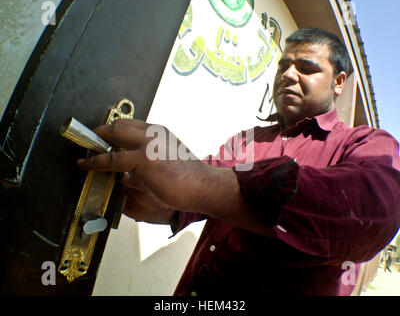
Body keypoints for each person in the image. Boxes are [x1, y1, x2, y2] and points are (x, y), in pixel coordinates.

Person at [77, 28, 400, 295]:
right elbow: (191, 198)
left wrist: (195, 181)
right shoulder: (249, 140)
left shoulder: (365, 144)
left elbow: (375, 213)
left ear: (339, 82)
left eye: (307, 67)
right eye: (283, 65)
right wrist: (145, 191)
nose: (288, 74)